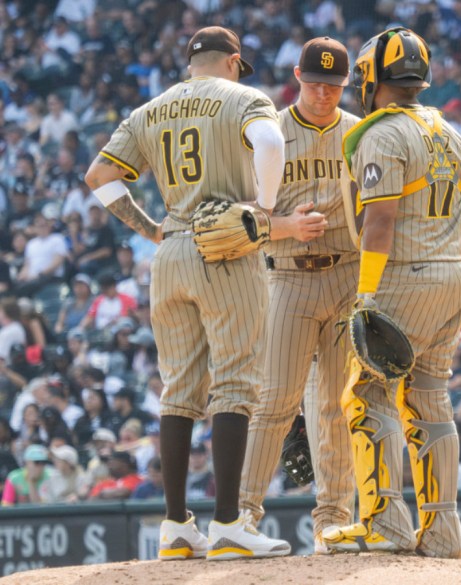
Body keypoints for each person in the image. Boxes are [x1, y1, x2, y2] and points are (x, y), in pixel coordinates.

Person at [83, 26, 291, 560]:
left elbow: (99, 175)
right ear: (233, 61)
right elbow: (269, 141)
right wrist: (264, 210)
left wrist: (151, 227)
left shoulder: (149, 110)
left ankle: (176, 525)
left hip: (171, 248)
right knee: (234, 385)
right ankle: (227, 524)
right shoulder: (245, 97)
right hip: (227, 248)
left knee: (177, 390)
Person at [322, 27, 461, 559]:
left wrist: (365, 296)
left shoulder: (381, 135)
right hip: (453, 276)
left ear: (371, 78)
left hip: (401, 279)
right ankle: (442, 532)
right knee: (431, 402)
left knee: (367, 394)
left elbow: (380, 220)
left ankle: (384, 522)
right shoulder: (455, 136)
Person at [239, 36, 359, 556]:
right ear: (296, 76)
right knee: (275, 402)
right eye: (315, 84)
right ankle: (241, 514)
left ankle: (333, 521)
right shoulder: (270, 134)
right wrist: (286, 226)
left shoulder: (358, 133)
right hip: (286, 274)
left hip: (347, 275)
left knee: (336, 404)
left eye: (333, 86)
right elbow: (238, 216)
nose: (324, 94)